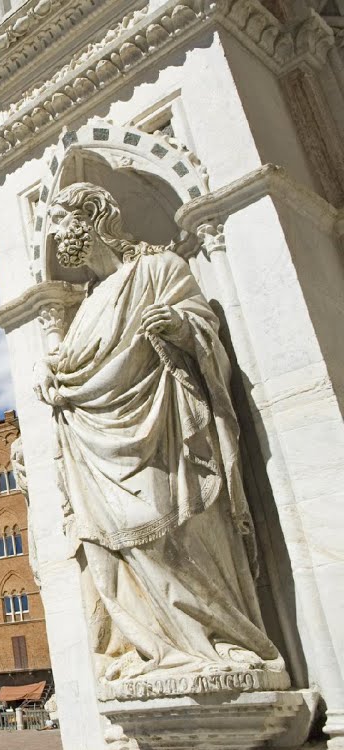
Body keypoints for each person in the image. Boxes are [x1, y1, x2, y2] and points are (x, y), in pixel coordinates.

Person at [36, 182, 287, 691]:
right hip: (96, 451)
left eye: (61, 220)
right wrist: (53, 378)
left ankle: (219, 640)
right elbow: (73, 371)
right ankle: (152, 649)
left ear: (93, 215)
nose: (56, 235)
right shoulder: (84, 308)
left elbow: (203, 326)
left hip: (162, 438)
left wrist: (178, 326)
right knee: (109, 552)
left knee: (174, 529)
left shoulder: (158, 269)